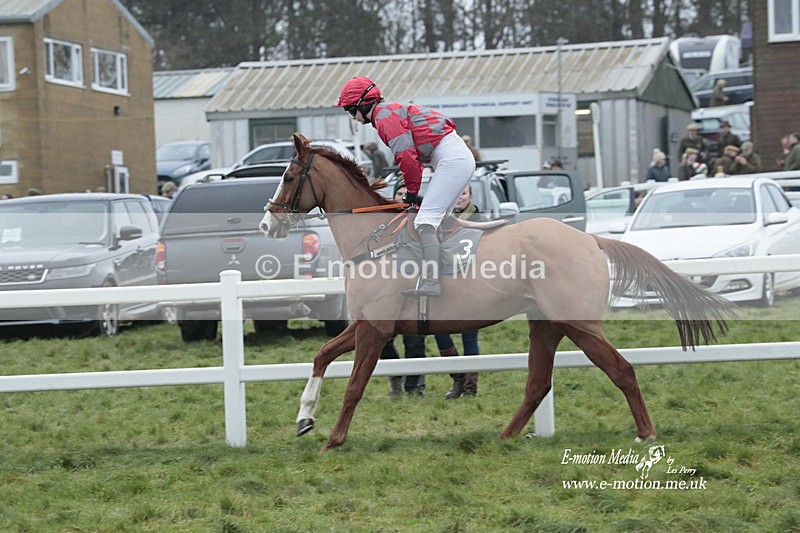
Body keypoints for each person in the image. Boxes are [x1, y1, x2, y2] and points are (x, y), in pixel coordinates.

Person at [335, 76, 476, 298]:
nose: (353, 116)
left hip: (451, 159)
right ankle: (450, 275)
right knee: (435, 221)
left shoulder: (384, 118)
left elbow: (407, 158)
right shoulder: (387, 113)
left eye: (351, 110)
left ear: (362, 104)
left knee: (424, 221)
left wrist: (411, 193)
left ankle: (432, 281)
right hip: (452, 156)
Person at [434, 184, 484, 398]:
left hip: (469, 286)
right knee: (440, 333)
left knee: (469, 338)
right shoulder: (439, 220)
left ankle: (470, 386)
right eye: (456, 194)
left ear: (470, 196)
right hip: (444, 285)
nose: (460, 198)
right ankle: (457, 379)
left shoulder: (480, 221)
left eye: (463, 193)